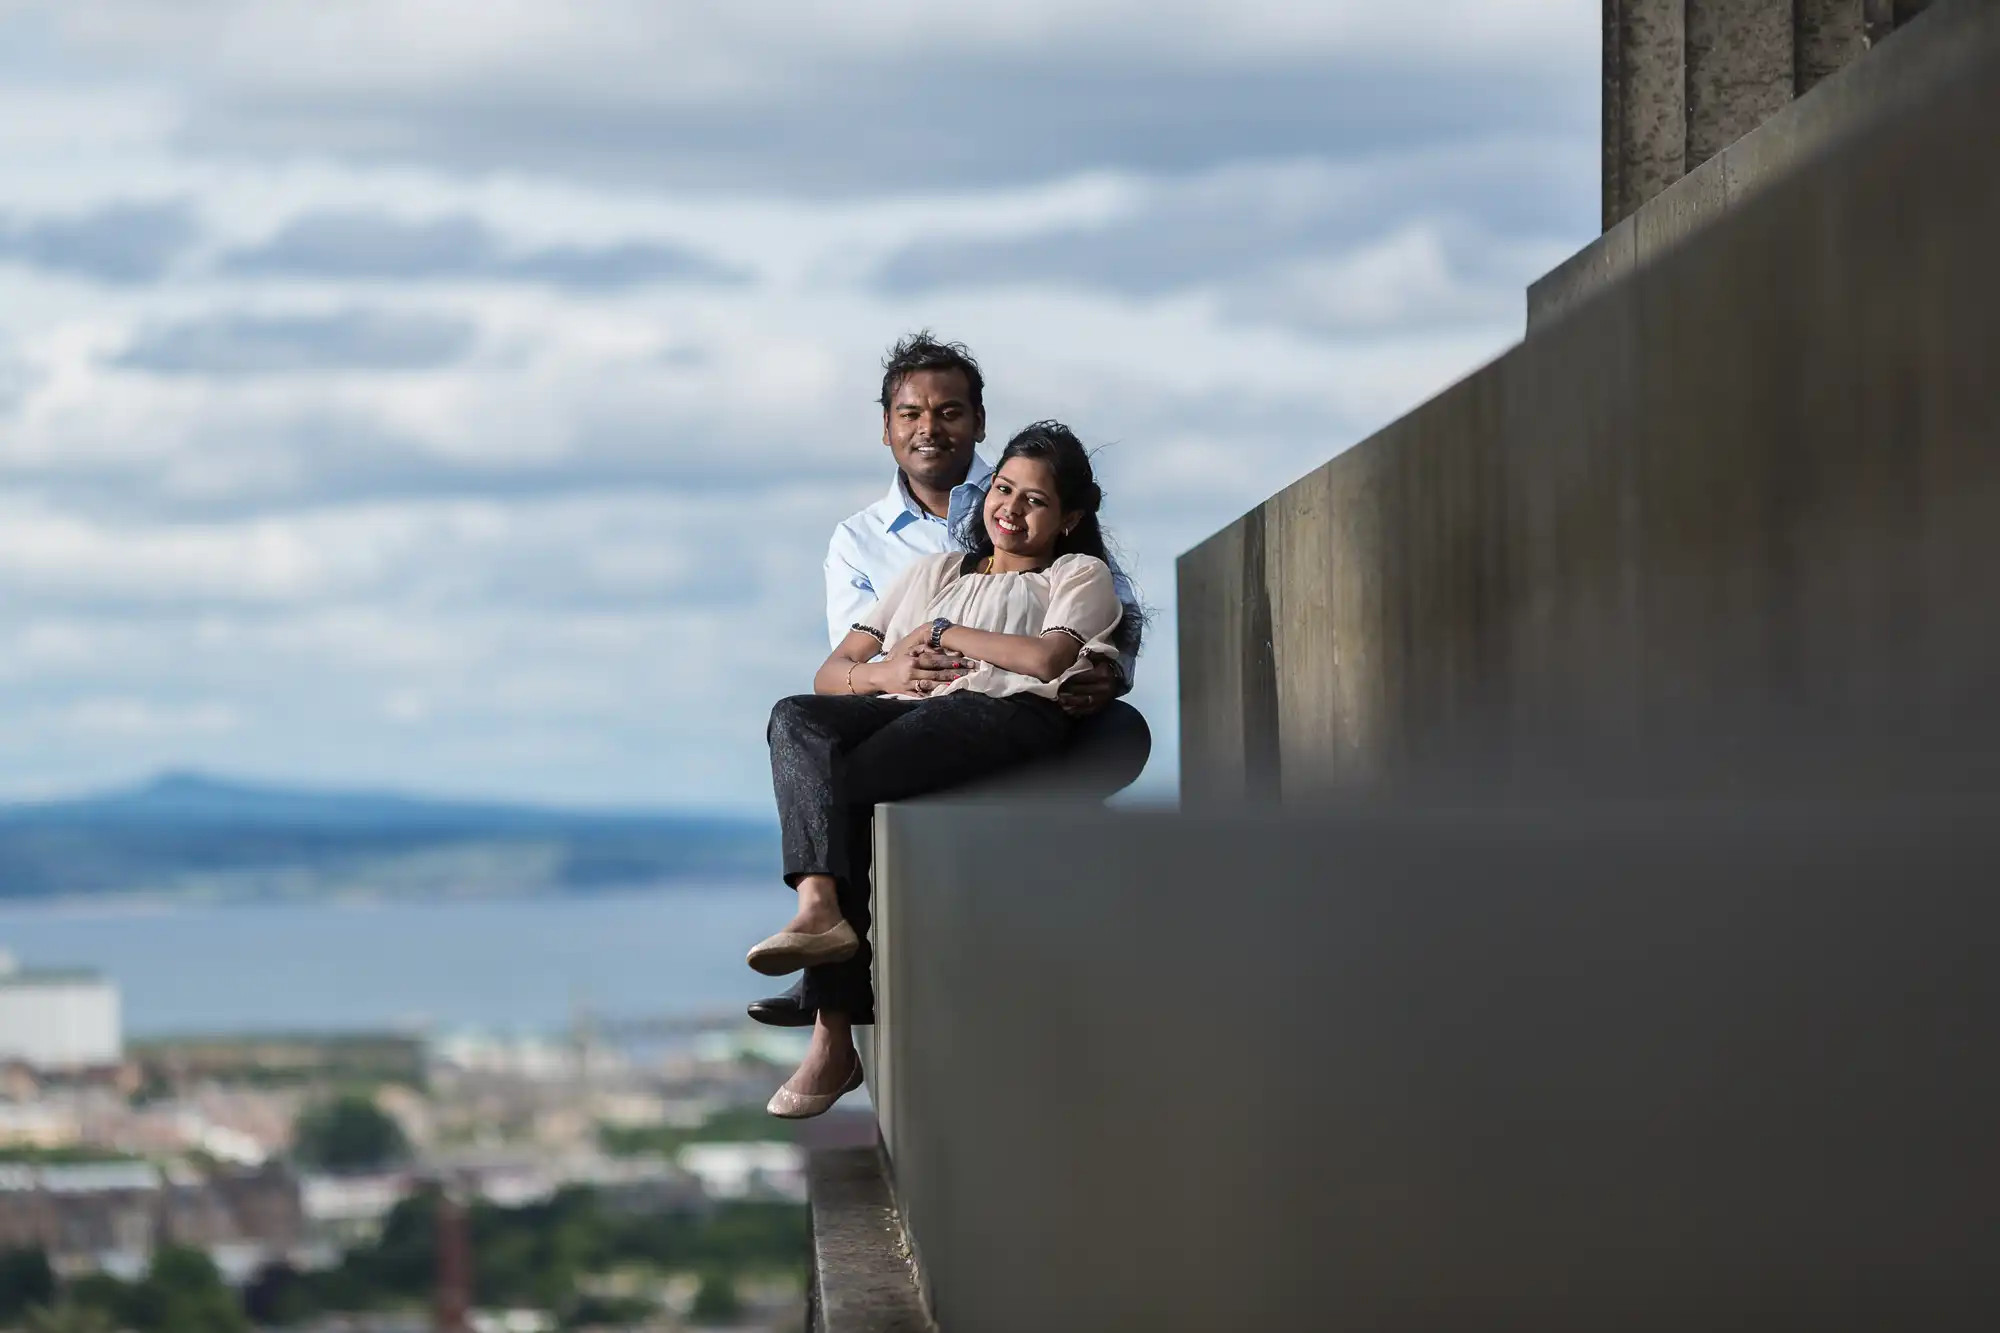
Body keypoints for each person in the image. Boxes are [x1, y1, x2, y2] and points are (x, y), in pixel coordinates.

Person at [747, 332, 1151, 1028]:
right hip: (905, 709)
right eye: (910, 414)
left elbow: (1097, 621)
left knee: (1118, 733)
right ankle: (824, 935)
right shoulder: (871, 544)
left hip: (1014, 709)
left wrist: (1107, 668)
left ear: (979, 422)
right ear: (886, 427)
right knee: (805, 728)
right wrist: (894, 667)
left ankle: (838, 992)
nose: (929, 427)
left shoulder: (1046, 512)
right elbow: (842, 668)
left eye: (949, 412)